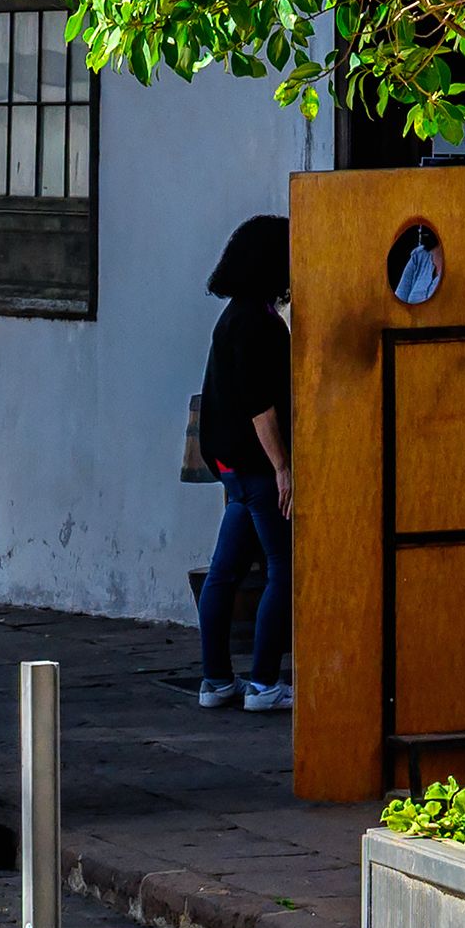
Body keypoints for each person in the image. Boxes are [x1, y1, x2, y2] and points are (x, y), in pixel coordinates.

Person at [184, 214, 293, 715]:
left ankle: (216, 679)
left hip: (230, 465)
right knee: (283, 570)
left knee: (225, 572)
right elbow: (261, 407)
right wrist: (282, 469)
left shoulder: (231, 317)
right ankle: (265, 681)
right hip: (257, 468)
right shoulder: (260, 324)